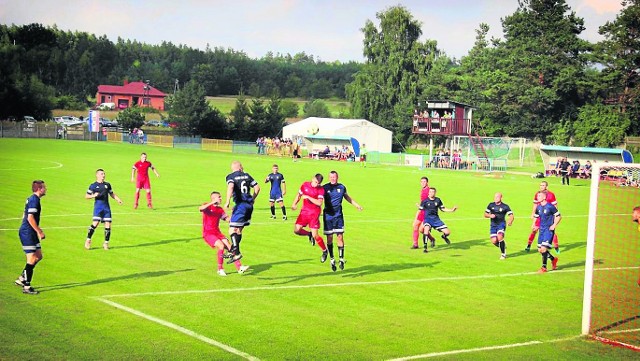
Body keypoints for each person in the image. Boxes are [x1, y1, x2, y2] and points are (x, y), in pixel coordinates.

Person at [200, 191, 250, 276]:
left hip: (217, 233)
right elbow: (201, 208)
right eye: (219, 197)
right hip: (208, 233)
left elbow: (227, 219)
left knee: (231, 248)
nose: (221, 198)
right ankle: (220, 269)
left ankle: (239, 267)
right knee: (221, 246)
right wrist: (212, 202)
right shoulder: (208, 206)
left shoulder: (219, 209)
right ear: (214, 198)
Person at [322, 171, 363, 271]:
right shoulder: (324, 188)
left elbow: (347, 197)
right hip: (328, 216)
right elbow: (318, 197)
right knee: (330, 238)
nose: (333, 178)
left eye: (334, 177)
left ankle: (341, 259)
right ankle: (332, 258)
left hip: (338, 216)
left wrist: (356, 205)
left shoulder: (342, 187)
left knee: (340, 236)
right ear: (329, 177)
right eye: (331, 177)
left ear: (337, 177)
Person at [14, 180, 47, 295]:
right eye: (44, 187)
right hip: (28, 232)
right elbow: (30, 218)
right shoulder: (34, 200)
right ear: (39, 189)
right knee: (31, 259)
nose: (46, 189)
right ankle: (27, 286)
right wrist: (39, 231)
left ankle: (22, 278)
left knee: (38, 256)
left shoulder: (32, 199)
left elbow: (24, 214)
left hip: (29, 232)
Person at [224, 161, 260, 263]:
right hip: (249, 206)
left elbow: (230, 187)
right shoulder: (247, 175)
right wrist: (252, 199)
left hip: (240, 206)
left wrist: (227, 201)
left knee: (231, 230)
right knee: (239, 230)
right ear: (240, 168)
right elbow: (257, 188)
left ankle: (235, 250)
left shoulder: (231, 176)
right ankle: (236, 253)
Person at [292, 173, 328, 262]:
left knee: (316, 235)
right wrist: (294, 203)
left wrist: (308, 197)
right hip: (304, 212)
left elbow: (319, 203)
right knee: (296, 230)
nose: (316, 184)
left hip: (314, 213)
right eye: (315, 182)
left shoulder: (320, 190)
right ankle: (308, 234)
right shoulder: (305, 185)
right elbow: (299, 195)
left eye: (318, 183)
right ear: (312, 179)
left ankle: (324, 251)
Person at [85, 169, 123, 250]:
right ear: (97, 175)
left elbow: (112, 194)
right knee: (95, 224)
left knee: (108, 225)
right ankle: (88, 240)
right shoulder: (93, 185)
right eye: (102, 174)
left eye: (104, 174)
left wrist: (118, 199)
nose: (103, 175)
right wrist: (93, 195)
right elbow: (86, 196)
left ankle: (106, 243)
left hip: (106, 208)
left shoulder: (107, 184)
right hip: (98, 207)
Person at [418, 188, 457, 253]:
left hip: (436, 219)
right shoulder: (425, 201)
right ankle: (425, 247)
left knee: (447, 232)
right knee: (426, 230)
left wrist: (451, 210)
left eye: (433, 192)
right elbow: (421, 209)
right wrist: (419, 207)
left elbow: (443, 209)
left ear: (435, 193)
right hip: (428, 219)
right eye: (430, 192)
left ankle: (444, 236)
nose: (431, 193)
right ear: (428, 193)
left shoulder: (438, 200)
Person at [526, 181, 560, 253]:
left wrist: (554, 217)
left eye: (543, 185)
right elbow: (535, 204)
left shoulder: (551, 195)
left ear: (546, 186)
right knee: (534, 230)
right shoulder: (537, 194)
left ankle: (556, 247)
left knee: (550, 231)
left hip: (548, 216)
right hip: (539, 215)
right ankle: (528, 245)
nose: (541, 186)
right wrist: (533, 213)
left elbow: (555, 206)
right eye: (540, 185)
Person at [532, 191, 561, 273]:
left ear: (544, 197)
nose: (537, 197)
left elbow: (558, 216)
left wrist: (554, 225)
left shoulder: (550, 206)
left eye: (539, 196)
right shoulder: (538, 207)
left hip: (548, 230)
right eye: (537, 196)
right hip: (541, 230)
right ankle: (553, 259)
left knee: (543, 249)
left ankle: (544, 267)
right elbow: (536, 216)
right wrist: (534, 224)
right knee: (540, 250)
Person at [484, 192, 514, 260]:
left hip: (501, 224)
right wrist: (490, 215)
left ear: (501, 198)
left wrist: (510, 221)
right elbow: (485, 214)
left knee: (500, 236)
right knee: (494, 241)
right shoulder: (490, 205)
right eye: (495, 197)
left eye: (497, 197)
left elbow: (511, 215)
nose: (495, 198)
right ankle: (503, 246)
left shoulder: (505, 206)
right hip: (493, 225)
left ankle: (503, 254)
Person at [411, 177, 436, 249]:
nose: (423, 183)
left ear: (427, 182)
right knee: (415, 225)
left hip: (427, 213)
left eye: (424, 182)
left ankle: (432, 239)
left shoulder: (428, 191)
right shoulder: (423, 190)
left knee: (421, 230)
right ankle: (415, 244)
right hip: (422, 211)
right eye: (421, 182)